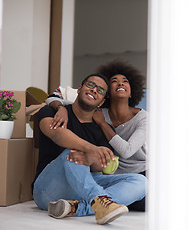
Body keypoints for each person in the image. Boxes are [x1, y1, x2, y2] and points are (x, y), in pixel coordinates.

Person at [32, 73, 147, 224]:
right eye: (91, 85)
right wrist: (90, 149)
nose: (94, 90)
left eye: (100, 90)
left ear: (102, 102)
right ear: (79, 89)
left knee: (141, 182)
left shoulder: (102, 128)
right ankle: (98, 201)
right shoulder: (52, 112)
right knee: (73, 154)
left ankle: (79, 208)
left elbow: (103, 164)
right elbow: (57, 134)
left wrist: (91, 159)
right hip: (47, 188)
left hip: (79, 191)